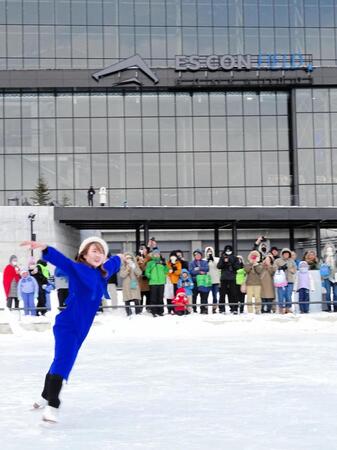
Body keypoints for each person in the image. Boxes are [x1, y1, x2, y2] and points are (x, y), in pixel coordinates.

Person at [20, 236, 122, 423]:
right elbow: (64, 262)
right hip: (68, 325)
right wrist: (45, 248)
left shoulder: (103, 272)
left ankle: (44, 395)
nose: (98, 255)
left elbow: (114, 264)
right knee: (64, 361)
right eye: (94, 251)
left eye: (101, 252)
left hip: (81, 328)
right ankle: (53, 404)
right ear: (84, 254)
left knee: (60, 360)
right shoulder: (79, 269)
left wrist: (122, 257)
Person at [217, 245, 241, 314]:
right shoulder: (222, 257)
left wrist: (231, 263)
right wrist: (224, 262)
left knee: (233, 293)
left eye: (229, 250)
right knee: (222, 294)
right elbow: (218, 266)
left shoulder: (235, 258)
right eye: (226, 250)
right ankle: (221, 309)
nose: (228, 251)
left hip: (232, 278)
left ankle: (234, 308)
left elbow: (238, 267)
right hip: (224, 278)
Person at [145, 248, 168, 317]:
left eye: (158, 254)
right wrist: (151, 277)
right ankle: (154, 311)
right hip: (153, 283)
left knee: (160, 298)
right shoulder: (150, 263)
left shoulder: (162, 262)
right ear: (153, 255)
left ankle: (160, 311)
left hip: (161, 282)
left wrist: (165, 265)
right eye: (155, 254)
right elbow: (147, 272)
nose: (156, 255)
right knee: (153, 298)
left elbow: (166, 271)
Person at [274, 248, 297, 313]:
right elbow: (274, 268)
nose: (286, 255)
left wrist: (289, 268)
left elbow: (294, 270)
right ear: (282, 254)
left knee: (288, 295)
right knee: (281, 295)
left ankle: (288, 308)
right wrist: (280, 268)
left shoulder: (292, 261)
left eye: (287, 254)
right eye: (285, 254)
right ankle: (281, 308)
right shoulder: (278, 260)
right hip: (281, 281)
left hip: (289, 281)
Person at [119, 252, 142, 316]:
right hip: (126, 284)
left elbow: (139, 273)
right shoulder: (123, 266)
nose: (129, 259)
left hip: (133, 282)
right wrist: (127, 269)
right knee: (127, 298)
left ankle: (138, 312)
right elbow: (122, 275)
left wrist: (134, 268)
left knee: (136, 297)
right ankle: (128, 312)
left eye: (130, 258)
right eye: (127, 258)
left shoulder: (135, 265)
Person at [189, 249, 209, 313]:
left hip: (203, 281)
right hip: (195, 281)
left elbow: (207, 269)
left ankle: (203, 309)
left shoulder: (204, 262)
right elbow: (191, 271)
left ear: (201, 255)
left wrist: (198, 268)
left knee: (204, 296)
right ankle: (194, 309)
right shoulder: (191, 263)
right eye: (196, 255)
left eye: (199, 255)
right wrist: (200, 271)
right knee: (194, 296)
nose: (197, 256)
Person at [320, 243, 337, 312]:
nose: (329, 251)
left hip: (335, 277)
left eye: (331, 249)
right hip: (326, 277)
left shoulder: (336, 257)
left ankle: (336, 307)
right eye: (327, 249)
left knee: (336, 293)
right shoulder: (323, 258)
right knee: (327, 293)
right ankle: (328, 307)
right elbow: (320, 266)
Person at [204, 246, 220, 313]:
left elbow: (218, 267)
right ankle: (205, 307)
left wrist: (212, 260)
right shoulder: (204, 260)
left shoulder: (217, 259)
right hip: (207, 279)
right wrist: (207, 261)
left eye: (210, 251)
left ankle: (214, 307)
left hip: (215, 279)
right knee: (205, 295)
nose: (209, 253)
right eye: (208, 251)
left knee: (215, 295)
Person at [136, 244, 151, 312]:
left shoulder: (149, 257)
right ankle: (140, 308)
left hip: (147, 279)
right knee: (140, 295)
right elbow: (135, 266)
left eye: (144, 248)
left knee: (148, 294)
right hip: (140, 279)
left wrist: (144, 259)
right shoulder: (137, 257)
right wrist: (139, 261)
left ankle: (148, 307)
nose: (142, 250)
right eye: (141, 248)